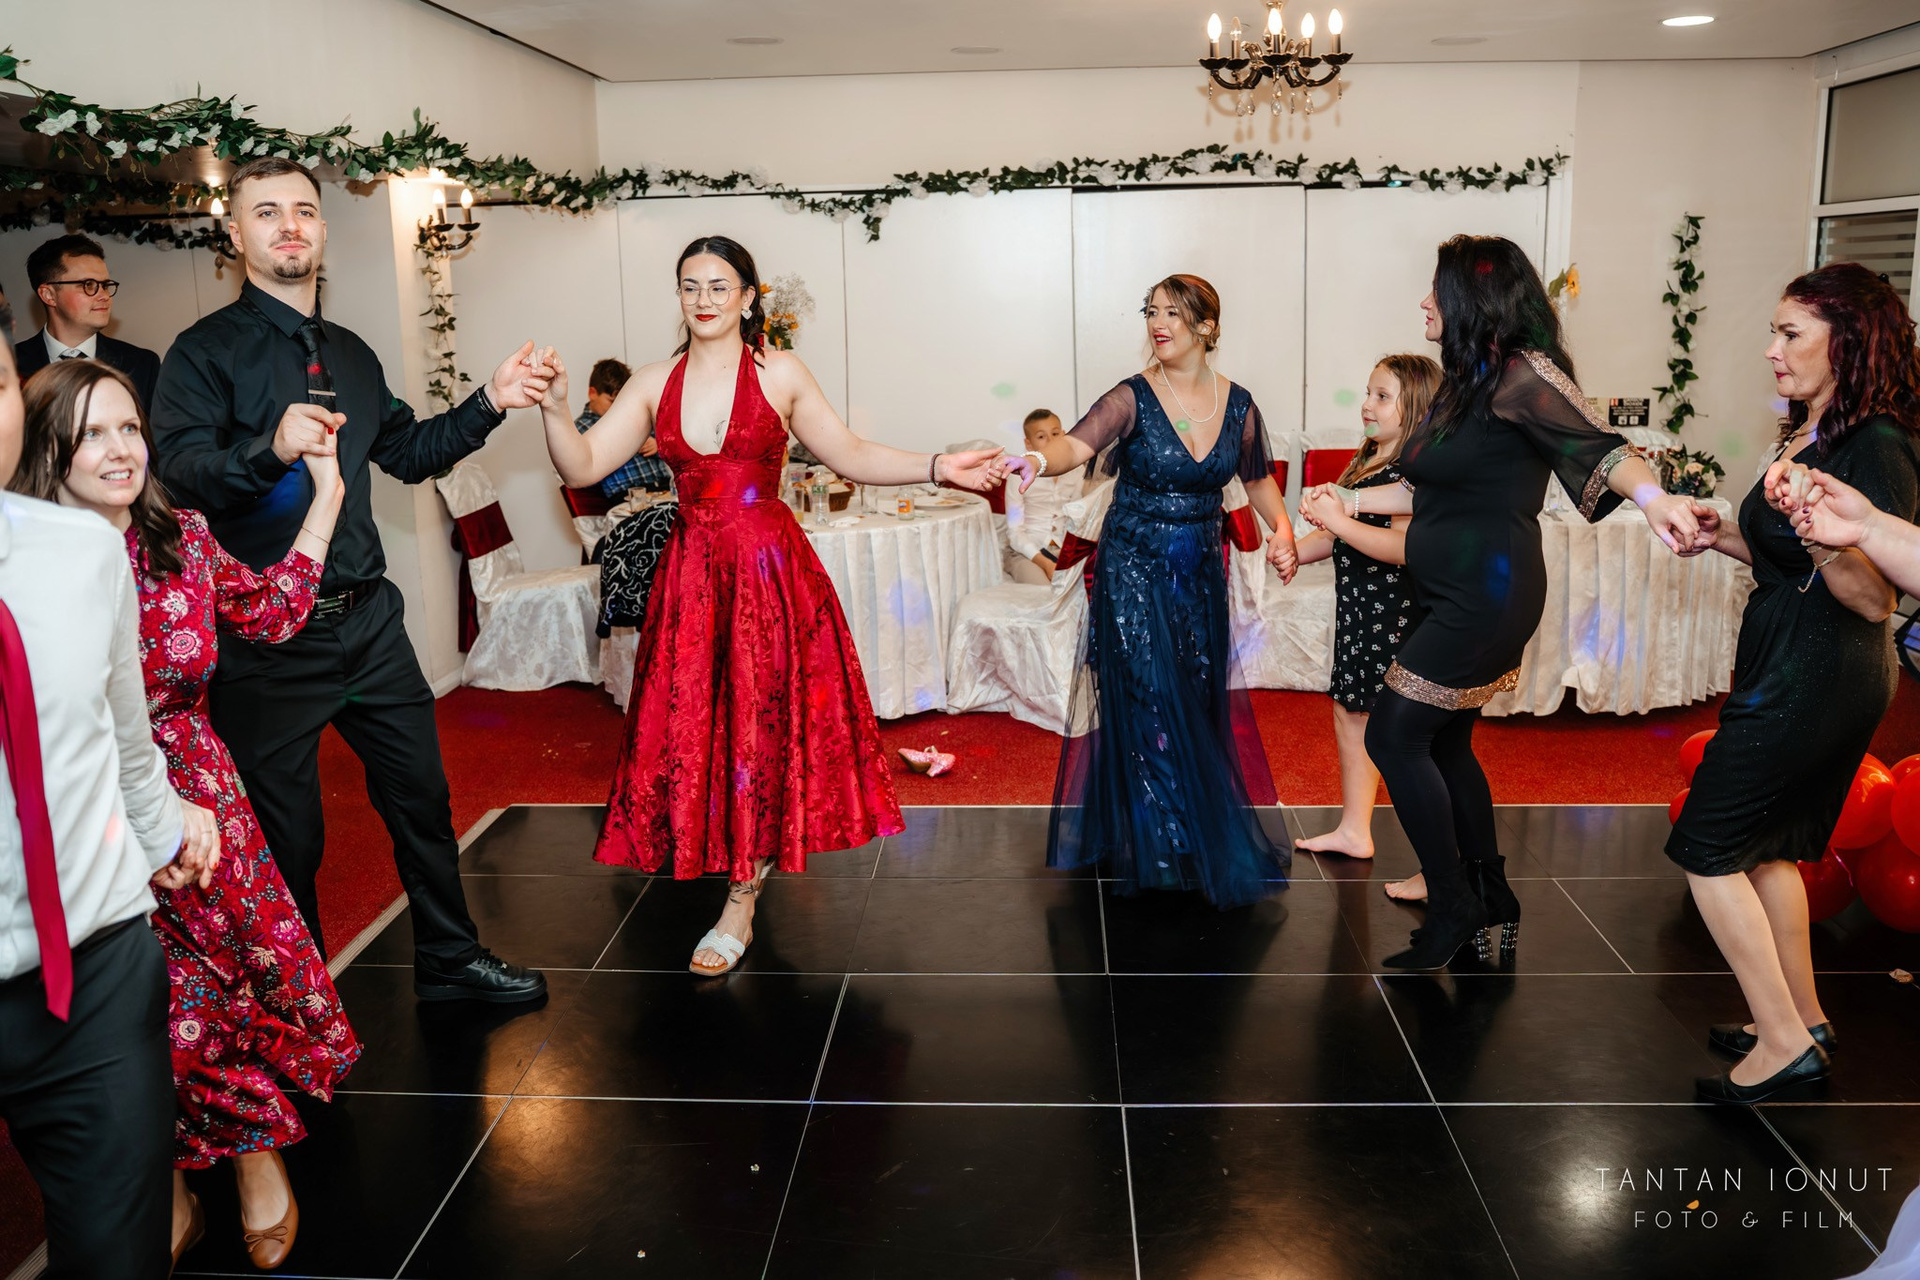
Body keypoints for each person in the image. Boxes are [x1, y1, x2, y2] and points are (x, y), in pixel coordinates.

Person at [540, 235, 1016, 975]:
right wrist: (555, 408)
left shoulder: (780, 372)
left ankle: (742, 896)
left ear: (747, 297)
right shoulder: (653, 383)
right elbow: (582, 465)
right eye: (690, 286)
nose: (704, 299)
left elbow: (850, 453)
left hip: (768, 574)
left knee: (760, 727)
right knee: (701, 724)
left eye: (719, 286)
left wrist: (937, 465)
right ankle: (723, 852)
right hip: (691, 575)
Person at [149, 155, 553, 1003]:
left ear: (323, 230)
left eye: (302, 210)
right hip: (265, 641)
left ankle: (450, 962)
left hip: (369, 624)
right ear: (237, 235)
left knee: (422, 802)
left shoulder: (352, 354)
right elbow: (179, 475)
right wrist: (270, 450)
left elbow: (407, 452)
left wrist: (490, 399)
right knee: (288, 837)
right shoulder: (202, 354)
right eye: (266, 212)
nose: (288, 225)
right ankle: (302, 1003)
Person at [15, 358, 361, 1268]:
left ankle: (252, 1158)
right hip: (90, 813)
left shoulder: (183, 538)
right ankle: (172, 1176)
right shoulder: (29, 566)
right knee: (145, 1015)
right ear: (46, 450)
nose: (120, 450)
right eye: (91, 433)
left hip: (204, 800)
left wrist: (326, 495)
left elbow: (274, 613)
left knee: (221, 991)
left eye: (130, 428)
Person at [1347, 236, 1699, 970]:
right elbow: (1427, 490)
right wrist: (1342, 503)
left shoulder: (1522, 374)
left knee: (1394, 736)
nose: (1424, 302)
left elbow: (1602, 447)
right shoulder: (1466, 381)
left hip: (1485, 597)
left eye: (1436, 290)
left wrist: (1655, 498)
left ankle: (1453, 903)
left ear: (1473, 299)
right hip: (1450, 589)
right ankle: (1489, 895)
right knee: (1444, 743)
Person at [0, 301, 223, 1280]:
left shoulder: (85, 553)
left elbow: (127, 742)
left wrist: (165, 824)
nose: (122, 450)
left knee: (116, 1254)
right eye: (95, 433)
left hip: (96, 959)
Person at [1669, 262, 1919, 1103]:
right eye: (1773, 332)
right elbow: (1789, 558)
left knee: (1706, 847)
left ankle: (1781, 1045)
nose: (1771, 350)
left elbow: (1872, 596)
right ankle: (1803, 1018)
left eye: (1790, 334)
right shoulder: (1810, 430)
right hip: (1792, 652)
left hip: (1821, 668)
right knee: (1768, 847)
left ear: (1847, 344)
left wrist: (1815, 531)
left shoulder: (1875, 444)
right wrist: (1722, 534)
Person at [1016, 274, 1298, 908]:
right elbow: (1074, 444)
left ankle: (1182, 822)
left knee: (1193, 695)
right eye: (1152, 311)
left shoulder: (1239, 405)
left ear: (1207, 326)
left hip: (1199, 571)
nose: (1158, 323)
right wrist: (1034, 460)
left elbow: (1257, 480)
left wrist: (1282, 530)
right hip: (1133, 566)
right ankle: (1160, 836)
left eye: (1173, 312)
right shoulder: (1133, 397)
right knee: (1146, 694)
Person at [1292, 354, 1438, 880]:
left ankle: (1439, 861)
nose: (1366, 405)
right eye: (1368, 393)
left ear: (1414, 407)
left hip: (1393, 614)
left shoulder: (1413, 472)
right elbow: (1336, 535)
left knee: (1398, 735)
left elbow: (1402, 548)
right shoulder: (1369, 459)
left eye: (1381, 396)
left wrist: (1337, 519)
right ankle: (1355, 829)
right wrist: (1294, 552)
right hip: (1359, 612)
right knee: (1350, 713)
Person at [15, 234, 162, 409]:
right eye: (89, 285)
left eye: (105, 285)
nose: (104, 296)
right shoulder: (11, 365)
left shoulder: (143, 365)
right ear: (49, 295)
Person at [1004, 408, 1085, 585]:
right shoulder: (1017, 475)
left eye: (1055, 434)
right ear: (1028, 444)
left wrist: (1071, 553)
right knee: (1042, 590)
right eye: (1041, 436)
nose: (1051, 441)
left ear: (1063, 435)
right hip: (1026, 551)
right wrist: (1045, 563)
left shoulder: (1077, 469)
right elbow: (1014, 530)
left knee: (1083, 586)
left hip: (1064, 548)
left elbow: (1077, 517)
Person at [576, 358, 671, 498]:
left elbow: (673, 447)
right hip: (626, 496)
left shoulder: (637, 414)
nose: (617, 407)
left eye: (622, 401)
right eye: (612, 401)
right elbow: (582, 475)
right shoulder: (580, 429)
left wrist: (658, 446)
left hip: (664, 487)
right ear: (593, 393)